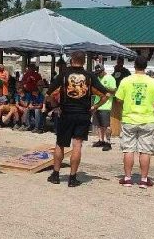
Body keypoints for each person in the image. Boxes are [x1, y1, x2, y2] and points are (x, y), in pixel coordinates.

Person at [46, 51, 113, 188]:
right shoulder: (90, 76)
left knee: (60, 144)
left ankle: (56, 175)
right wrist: (95, 107)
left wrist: (55, 105)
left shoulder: (63, 75)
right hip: (83, 114)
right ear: (84, 61)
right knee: (77, 145)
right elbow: (105, 95)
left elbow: (48, 94)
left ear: (71, 60)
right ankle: (72, 178)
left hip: (66, 114)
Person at [113, 55, 154, 188]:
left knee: (128, 149)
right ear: (146, 66)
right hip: (147, 119)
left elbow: (118, 99)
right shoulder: (153, 82)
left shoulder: (126, 80)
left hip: (129, 118)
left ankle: (128, 178)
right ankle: (144, 179)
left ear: (134, 66)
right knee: (145, 151)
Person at [91, 64, 117, 151]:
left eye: (99, 73)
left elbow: (114, 90)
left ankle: (108, 142)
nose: (98, 74)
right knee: (99, 125)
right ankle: (101, 140)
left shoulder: (110, 78)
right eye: (97, 73)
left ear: (103, 71)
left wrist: (103, 89)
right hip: (97, 104)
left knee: (106, 125)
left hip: (106, 105)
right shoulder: (98, 78)